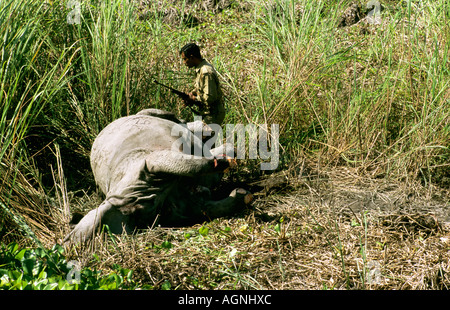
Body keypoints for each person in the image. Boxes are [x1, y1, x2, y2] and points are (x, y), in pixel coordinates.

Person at [179, 43, 225, 125]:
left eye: (185, 59)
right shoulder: (200, 69)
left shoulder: (206, 72)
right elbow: (200, 89)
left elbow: (209, 98)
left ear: (192, 57)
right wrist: (191, 94)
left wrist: (193, 99)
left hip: (212, 115)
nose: (184, 62)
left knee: (199, 137)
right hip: (206, 113)